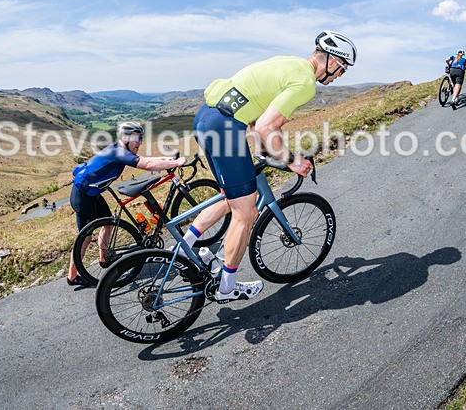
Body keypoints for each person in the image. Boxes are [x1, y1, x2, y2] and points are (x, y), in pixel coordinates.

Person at [185, 30, 356, 303]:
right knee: (246, 213)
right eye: (342, 69)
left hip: (206, 118)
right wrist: (292, 161)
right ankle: (226, 287)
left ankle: (185, 247)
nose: (339, 76)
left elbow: (256, 122)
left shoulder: (290, 64)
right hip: (226, 128)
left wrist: (264, 151)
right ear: (329, 60)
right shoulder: (305, 82)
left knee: (233, 196)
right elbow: (267, 126)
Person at [65, 121, 185, 286]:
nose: (140, 142)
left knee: (108, 223)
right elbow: (147, 165)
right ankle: (72, 276)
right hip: (83, 195)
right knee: (85, 237)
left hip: (92, 193)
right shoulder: (119, 152)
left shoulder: (119, 150)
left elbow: (145, 159)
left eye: (141, 138)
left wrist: (168, 159)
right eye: (137, 137)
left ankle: (104, 258)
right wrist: (176, 164)